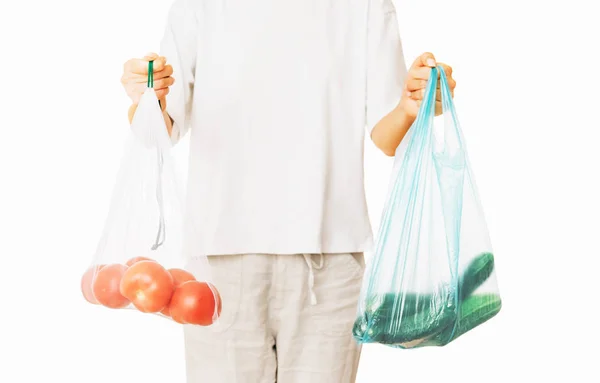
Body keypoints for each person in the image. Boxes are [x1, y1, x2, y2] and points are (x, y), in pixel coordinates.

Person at [120, 0, 456, 381]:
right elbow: (159, 131)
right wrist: (148, 97)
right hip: (221, 265)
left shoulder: (365, 5)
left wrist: (414, 105)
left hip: (329, 265)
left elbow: (388, 134)